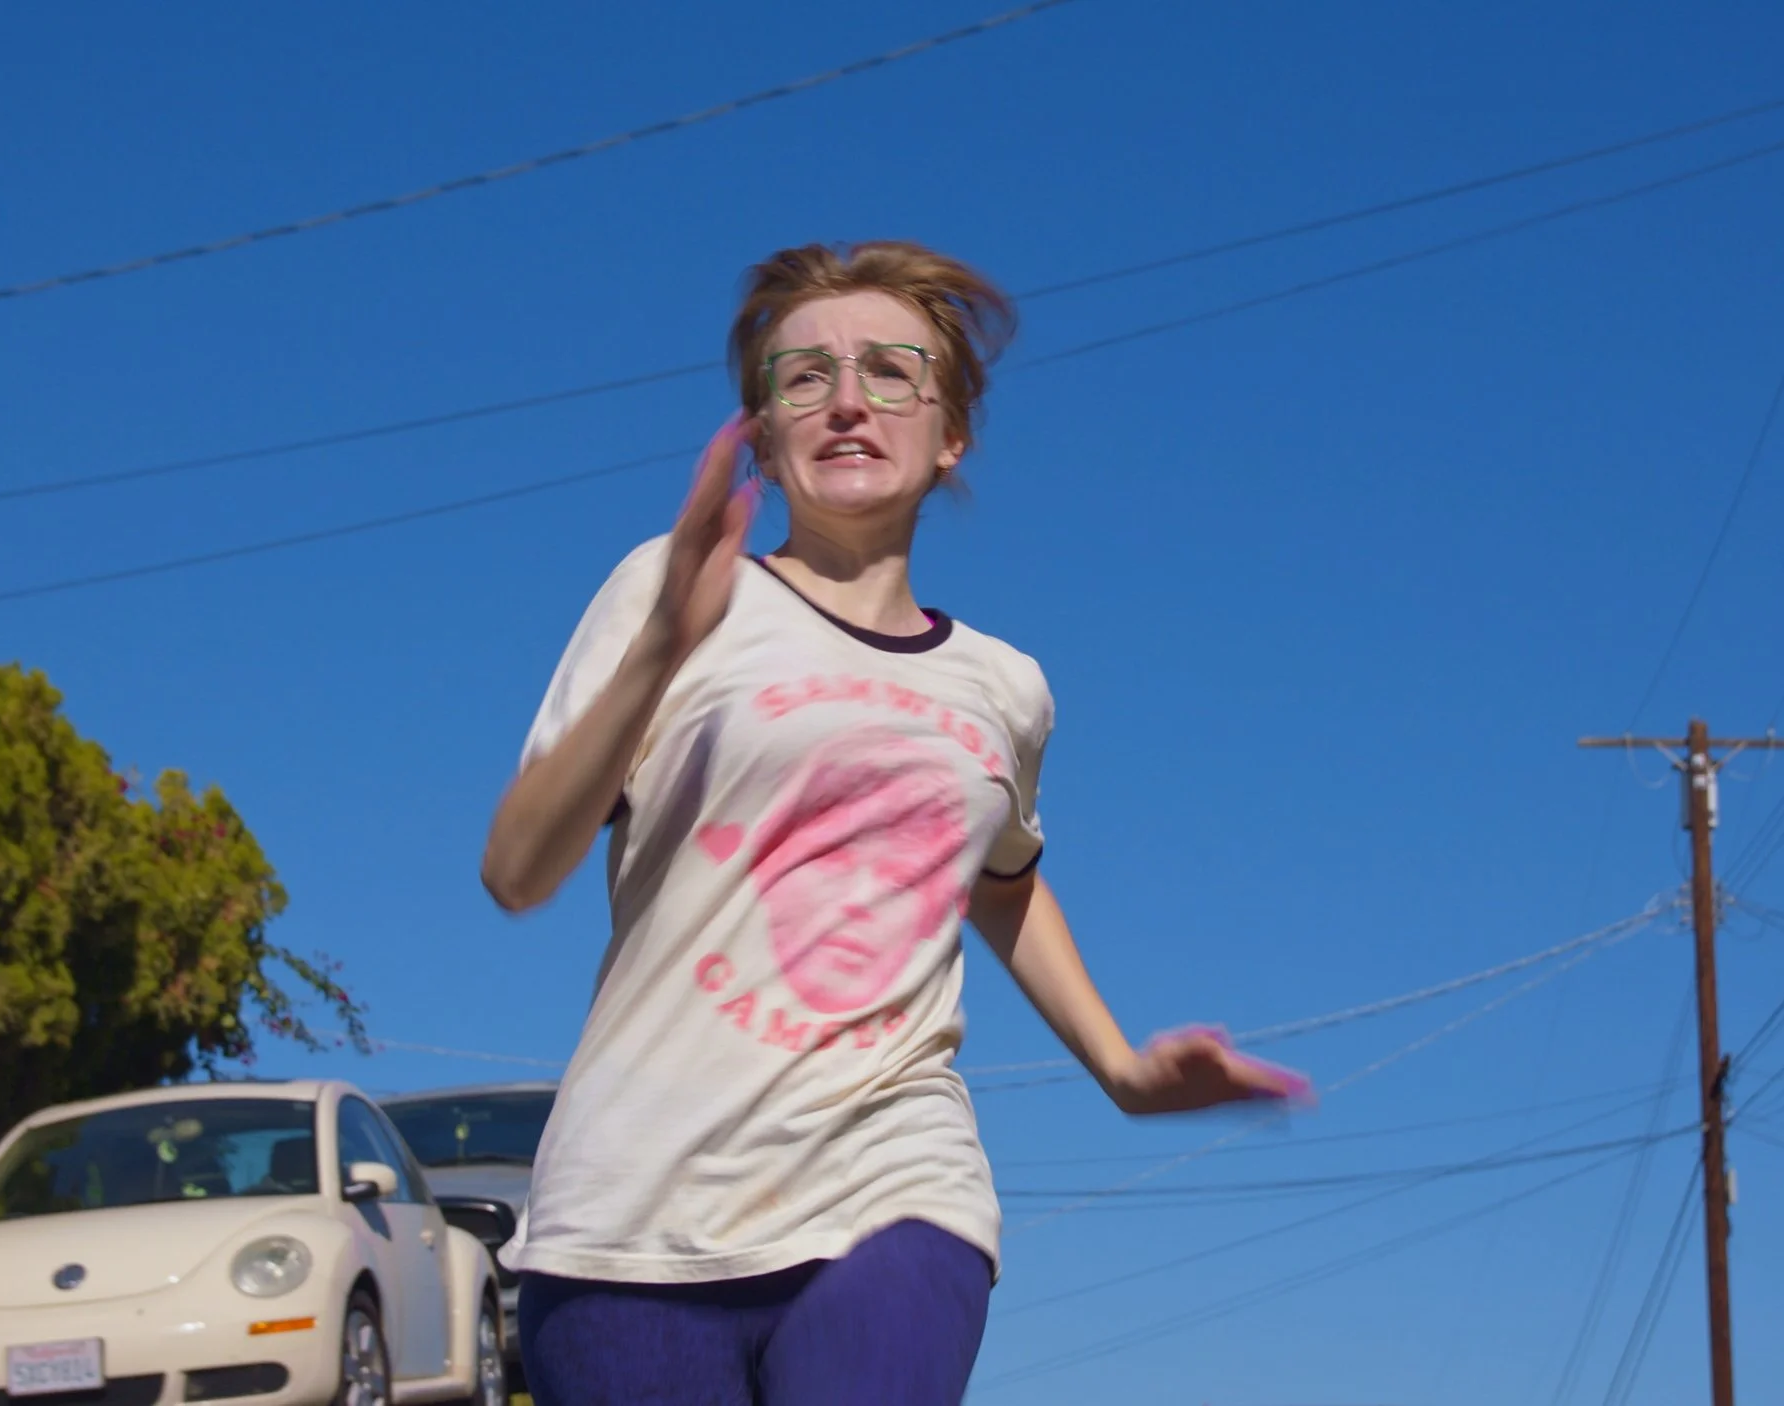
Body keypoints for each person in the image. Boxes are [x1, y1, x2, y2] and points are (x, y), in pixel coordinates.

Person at [479, 239, 1307, 1405]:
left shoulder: (1003, 685)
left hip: (895, 1174)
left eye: (890, 370)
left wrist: (1121, 1067)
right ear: (762, 434)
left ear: (950, 428)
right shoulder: (664, 594)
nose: (848, 399)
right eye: (803, 376)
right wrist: (667, 637)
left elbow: (999, 879)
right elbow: (516, 870)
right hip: (630, 1215)